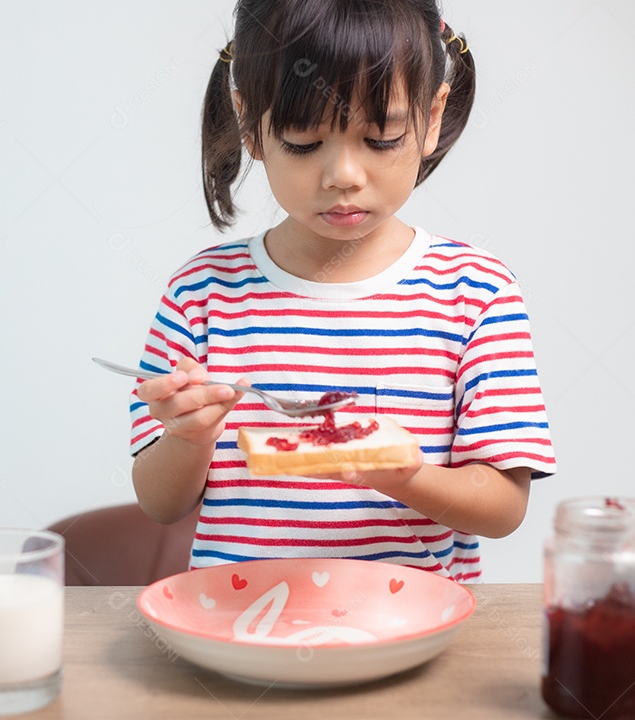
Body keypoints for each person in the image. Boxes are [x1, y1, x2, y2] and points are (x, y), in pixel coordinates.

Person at [127, 0, 556, 582]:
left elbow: (504, 507)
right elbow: (161, 503)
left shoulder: (475, 292)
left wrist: (402, 474)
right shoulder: (202, 293)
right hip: (245, 632)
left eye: (380, 138)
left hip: (412, 637)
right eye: (304, 143)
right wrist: (187, 437)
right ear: (251, 125)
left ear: (431, 118)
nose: (343, 176)